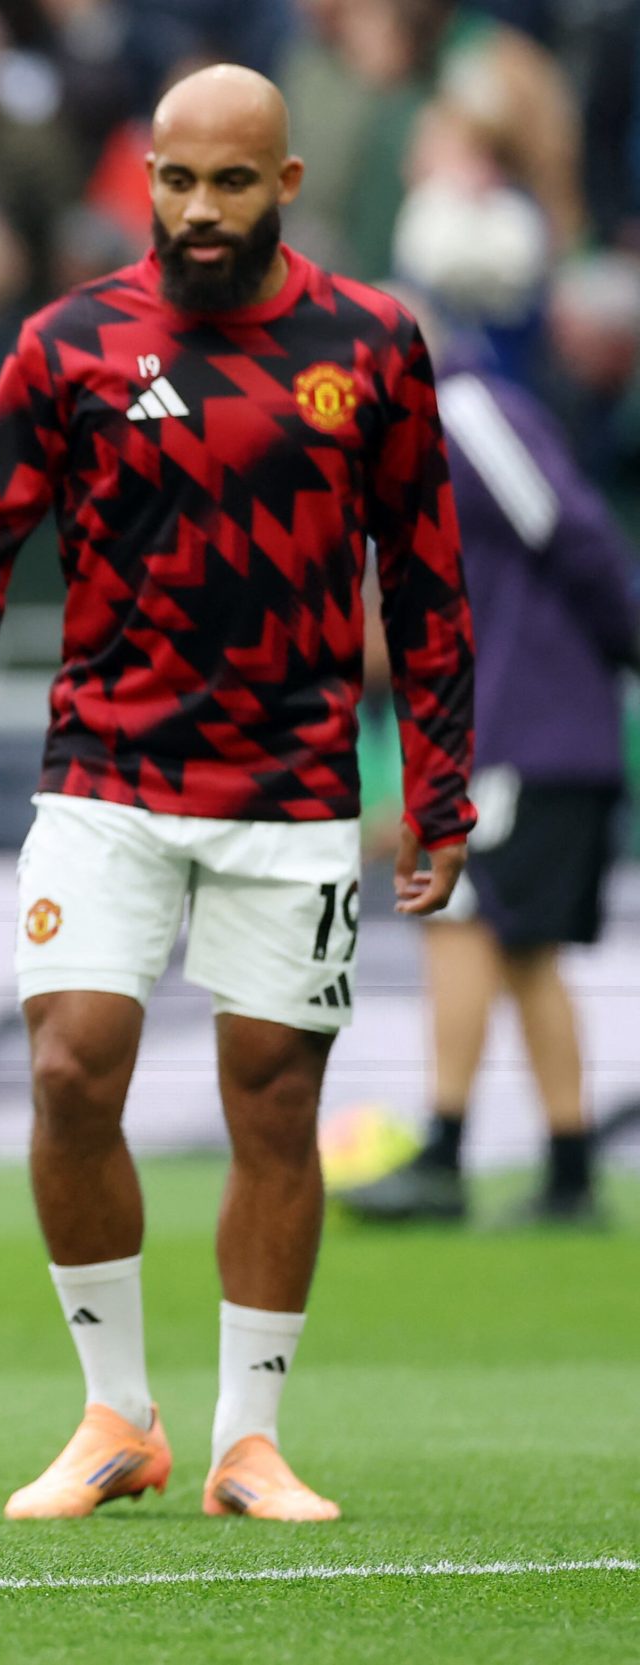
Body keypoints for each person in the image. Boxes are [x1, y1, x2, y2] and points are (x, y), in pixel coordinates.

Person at [0, 66, 475, 1523]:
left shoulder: (373, 341)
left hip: (293, 785)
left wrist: (446, 789)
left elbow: (428, 578)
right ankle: (114, 1415)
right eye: (174, 182)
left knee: (274, 1103)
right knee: (70, 1067)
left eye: (229, 183)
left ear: (286, 184)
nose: (198, 212)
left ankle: (246, 1440)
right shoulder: (69, 342)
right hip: (107, 771)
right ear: (144, 179)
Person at [339, 312, 635, 1229]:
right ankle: (569, 1165)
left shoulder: (463, 411)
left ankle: (446, 1150)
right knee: (518, 944)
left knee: (460, 916)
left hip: (527, 723)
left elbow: (569, 529)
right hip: (520, 725)